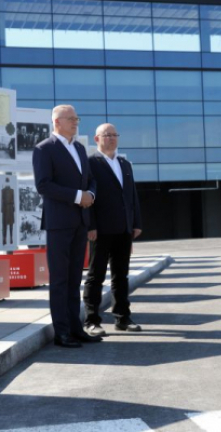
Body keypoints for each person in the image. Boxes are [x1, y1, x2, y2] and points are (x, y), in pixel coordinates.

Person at [33, 105, 100, 348]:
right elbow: (44, 185)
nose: (76, 122)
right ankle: (61, 333)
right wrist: (76, 196)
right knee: (60, 280)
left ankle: (76, 328)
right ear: (57, 121)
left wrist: (90, 194)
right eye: (71, 119)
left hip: (80, 221)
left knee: (74, 280)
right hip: (59, 223)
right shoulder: (44, 149)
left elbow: (90, 179)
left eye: (77, 118)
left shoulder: (80, 148)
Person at [83, 123, 143, 335]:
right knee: (95, 276)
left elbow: (132, 196)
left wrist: (136, 223)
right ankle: (92, 320)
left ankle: (122, 318)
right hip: (100, 230)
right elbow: (87, 195)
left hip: (123, 229)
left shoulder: (125, 164)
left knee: (121, 276)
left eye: (114, 135)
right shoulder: (90, 163)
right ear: (96, 138)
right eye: (106, 135)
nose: (111, 138)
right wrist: (90, 225)